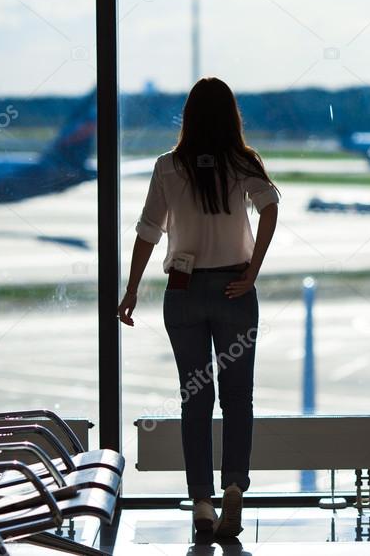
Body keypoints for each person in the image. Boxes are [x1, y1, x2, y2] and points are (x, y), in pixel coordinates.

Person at [118, 77, 279, 539]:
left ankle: (203, 502)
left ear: (187, 117)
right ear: (232, 116)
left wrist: (131, 291)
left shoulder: (168, 166)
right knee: (237, 398)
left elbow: (148, 232)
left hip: (184, 292)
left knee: (196, 396)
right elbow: (270, 209)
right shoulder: (243, 163)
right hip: (235, 289)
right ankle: (234, 486)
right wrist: (252, 272)